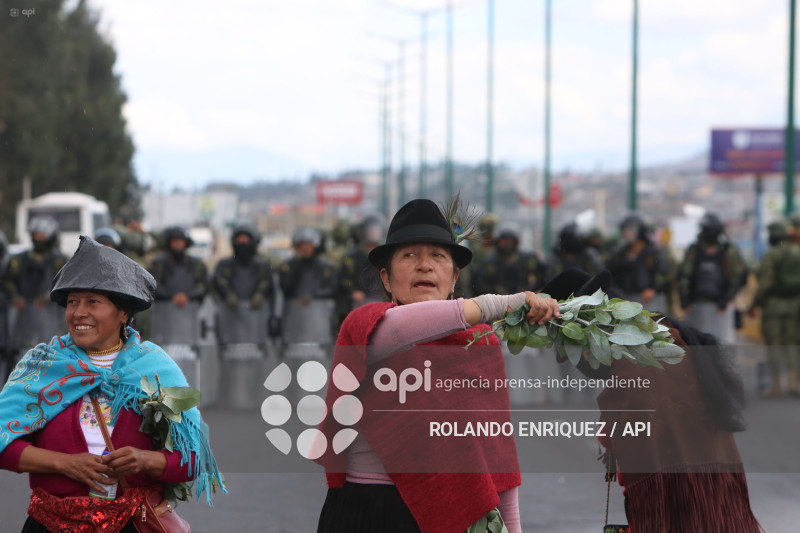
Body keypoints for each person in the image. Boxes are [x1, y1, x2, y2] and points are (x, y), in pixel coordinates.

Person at [316, 199, 561, 533]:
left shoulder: (479, 344)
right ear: (386, 278)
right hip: (367, 511)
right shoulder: (368, 327)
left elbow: (498, 458)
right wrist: (501, 304)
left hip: (452, 516)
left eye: (438, 256)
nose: (425, 265)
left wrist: (513, 528)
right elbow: (405, 327)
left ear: (455, 277)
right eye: (410, 255)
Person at [0, 236, 224, 532]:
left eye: (93, 302)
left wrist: (144, 459)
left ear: (123, 313)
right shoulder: (42, 365)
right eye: (72, 302)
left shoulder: (155, 369)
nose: (79, 313)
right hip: (48, 524)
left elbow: (193, 459)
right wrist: (64, 463)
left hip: (130, 524)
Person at [544, 268, 763, 532]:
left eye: (576, 351)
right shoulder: (651, 334)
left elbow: (643, 447)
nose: (584, 362)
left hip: (686, 500)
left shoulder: (640, 362)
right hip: (705, 495)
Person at [676, 213, 747, 343]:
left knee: (721, 342)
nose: (701, 233)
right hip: (696, 305)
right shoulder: (694, 250)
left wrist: (726, 299)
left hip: (720, 308)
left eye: (704, 230)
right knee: (696, 343)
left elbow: (738, 277)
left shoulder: (728, 251)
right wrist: (685, 300)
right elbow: (684, 275)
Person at [750, 217, 800, 397]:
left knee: (775, 345)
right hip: (795, 307)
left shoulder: (772, 254)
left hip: (773, 307)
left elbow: (765, 284)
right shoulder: (797, 252)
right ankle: (795, 383)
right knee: (793, 343)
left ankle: (778, 385)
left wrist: (754, 304)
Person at [4, 216, 67, 355]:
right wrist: (15, 297)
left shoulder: (60, 260)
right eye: (36, 235)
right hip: (22, 313)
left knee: (49, 348)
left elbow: (66, 283)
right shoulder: (19, 259)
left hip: (50, 314)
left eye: (43, 236)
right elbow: (7, 281)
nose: (39, 239)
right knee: (18, 349)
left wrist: (49, 296)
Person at [606, 214, 672, 313]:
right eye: (625, 230)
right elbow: (611, 272)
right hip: (625, 300)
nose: (626, 233)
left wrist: (653, 289)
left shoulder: (652, 252)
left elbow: (664, 273)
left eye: (630, 230)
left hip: (647, 300)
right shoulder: (620, 253)